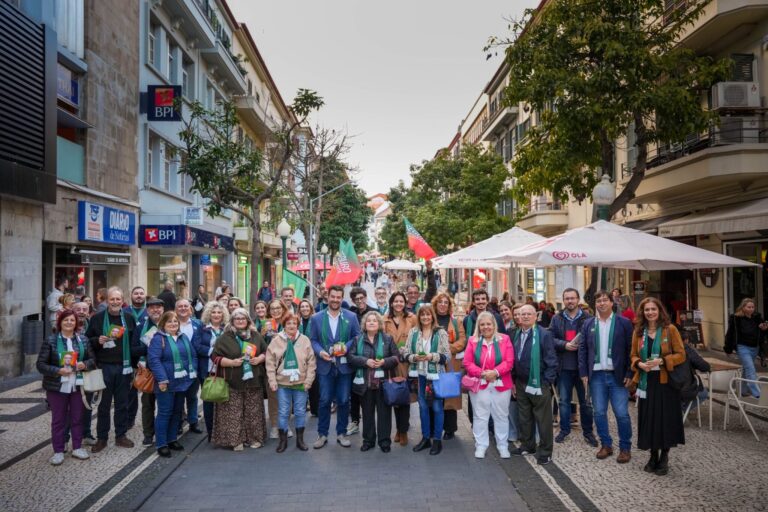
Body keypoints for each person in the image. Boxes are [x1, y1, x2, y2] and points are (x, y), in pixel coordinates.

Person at [631, 297, 686, 476]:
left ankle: (664, 456)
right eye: (647, 310)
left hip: (666, 382)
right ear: (642, 313)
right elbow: (632, 355)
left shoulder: (670, 330)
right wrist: (639, 364)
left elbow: (681, 355)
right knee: (650, 419)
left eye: (653, 309)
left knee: (666, 420)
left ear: (659, 310)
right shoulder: (639, 332)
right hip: (647, 382)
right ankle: (653, 455)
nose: (650, 313)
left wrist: (662, 360)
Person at [578, 291, 634, 464]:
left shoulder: (624, 323)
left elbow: (631, 350)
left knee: (622, 413)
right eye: (598, 301)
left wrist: (629, 373)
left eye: (605, 300)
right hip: (596, 376)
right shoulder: (588, 324)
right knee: (599, 412)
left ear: (612, 303)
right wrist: (583, 372)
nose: (601, 303)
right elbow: (583, 349)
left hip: (617, 376)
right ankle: (606, 444)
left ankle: (625, 448)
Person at [37, 310, 96, 465]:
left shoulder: (83, 339)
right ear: (60, 322)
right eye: (66, 320)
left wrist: (85, 364)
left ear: (76, 323)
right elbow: (40, 365)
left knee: (77, 418)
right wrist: (57, 370)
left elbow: (92, 360)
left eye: (72, 320)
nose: (69, 323)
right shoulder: (50, 340)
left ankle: (77, 447)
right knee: (58, 420)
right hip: (57, 386)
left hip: (78, 385)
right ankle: (58, 450)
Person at [308, 285, 361, 449]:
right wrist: (321, 352)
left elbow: (357, 336)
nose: (336, 300)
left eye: (339, 297)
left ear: (342, 298)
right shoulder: (316, 318)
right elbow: (313, 340)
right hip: (325, 366)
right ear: (327, 297)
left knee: (344, 400)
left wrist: (347, 347)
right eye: (333, 296)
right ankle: (322, 434)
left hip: (344, 366)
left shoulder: (351, 317)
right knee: (324, 401)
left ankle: (341, 433)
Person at [85, 286, 137, 452]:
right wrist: (96, 340)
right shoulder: (98, 318)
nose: (115, 302)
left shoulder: (129, 318)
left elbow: (134, 343)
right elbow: (86, 341)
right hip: (104, 366)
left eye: (118, 299)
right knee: (103, 405)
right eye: (112, 299)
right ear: (107, 300)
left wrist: (136, 364)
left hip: (124, 367)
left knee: (122, 403)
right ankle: (102, 438)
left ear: (122, 301)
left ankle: (121, 435)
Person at [211, 308, 268, 450]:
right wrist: (231, 362)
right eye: (237, 319)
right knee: (233, 412)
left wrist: (260, 358)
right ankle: (236, 441)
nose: (240, 321)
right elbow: (215, 357)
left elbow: (267, 351)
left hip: (253, 380)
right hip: (233, 380)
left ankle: (255, 438)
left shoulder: (255, 336)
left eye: (243, 318)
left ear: (248, 321)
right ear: (232, 321)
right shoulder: (225, 337)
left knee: (253, 412)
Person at [549, 288, 597, 447]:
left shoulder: (588, 318)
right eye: (567, 298)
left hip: (583, 368)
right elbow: (550, 338)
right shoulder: (556, 319)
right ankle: (564, 430)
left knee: (586, 402)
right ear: (563, 300)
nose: (570, 301)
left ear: (578, 300)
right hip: (564, 367)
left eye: (573, 298)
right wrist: (564, 345)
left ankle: (588, 432)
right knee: (563, 401)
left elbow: (594, 340)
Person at [511, 304, 558, 465]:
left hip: (539, 383)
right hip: (521, 383)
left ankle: (545, 451)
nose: (524, 317)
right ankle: (528, 445)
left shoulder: (544, 335)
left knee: (543, 419)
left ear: (535, 316)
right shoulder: (516, 334)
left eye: (528, 314)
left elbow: (552, 361)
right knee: (524, 418)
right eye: (522, 314)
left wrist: (546, 382)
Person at [463, 311, 515, 459]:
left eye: (488, 324)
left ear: (494, 325)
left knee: (501, 415)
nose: (486, 327)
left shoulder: (504, 339)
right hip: (480, 383)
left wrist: (496, 372)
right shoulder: (473, 341)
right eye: (482, 324)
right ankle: (481, 445)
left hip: (501, 383)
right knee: (480, 416)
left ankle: (502, 445)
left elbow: (509, 361)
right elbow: (467, 363)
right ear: (478, 326)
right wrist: (483, 373)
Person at [348, 311, 400, 452]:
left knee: (384, 413)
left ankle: (384, 441)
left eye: (374, 320)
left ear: (379, 324)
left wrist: (384, 361)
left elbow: (396, 358)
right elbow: (351, 357)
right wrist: (365, 361)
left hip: (383, 384)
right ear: (364, 324)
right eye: (369, 320)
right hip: (365, 384)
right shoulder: (357, 339)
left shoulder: (387, 339)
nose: (371, 322)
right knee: (367, 413)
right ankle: (368, 440)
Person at [402, 304, 451, 455]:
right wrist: (414, 357)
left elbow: (447, 357)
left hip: (435, 376)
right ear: (419, 317)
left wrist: (432, 356)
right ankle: (425, 438)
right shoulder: (413, 332)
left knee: (437, 407)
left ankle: (437, 440)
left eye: (428, 315)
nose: (425, 317)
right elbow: (406, 353)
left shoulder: (440, 332)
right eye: (422, 315)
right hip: (420, 376)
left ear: (432, 316)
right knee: (422, 407)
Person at [147, 311, 197, 457]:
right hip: (165, 383)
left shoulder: (183, 337)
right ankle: (162, 443)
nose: (173, 324)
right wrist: (162, 379)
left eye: (175, 321)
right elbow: (154, 361)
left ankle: (172, 439)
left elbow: (192, 356)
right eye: (169, 322)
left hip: (182, 382)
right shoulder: (158, 339)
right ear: (163, 324)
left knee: (177, 412)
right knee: (164, 412)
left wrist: (192, 371)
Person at [266, 313, 317, 452]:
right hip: (282, 383)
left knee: (300, 412)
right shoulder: (276, 340)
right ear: (284, 325)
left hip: (301, 383)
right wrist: (272, 380)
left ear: (298, 325)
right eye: (288, 323)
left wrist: (308, 381)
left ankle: (300, 440)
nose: (291, 326)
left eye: (294, 323)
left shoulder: (305, 340)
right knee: (283, 412)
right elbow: (269, 362)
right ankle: (282, 441)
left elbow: (311, 362)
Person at [383, 291, 418, 445]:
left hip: (406, 363)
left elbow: (418, 336)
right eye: (396, 301)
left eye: (401, 301)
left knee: (404, 397)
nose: (398, 304)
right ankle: (397, 429)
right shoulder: (385, 320)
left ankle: (403, 431)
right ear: (391, 303)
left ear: (405, 303)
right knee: (393, 396)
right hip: (390, 363)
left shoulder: (412, 318)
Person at [432, 292, 467, 440]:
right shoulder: (430, 320)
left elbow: (462, 341)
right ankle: (435, 427)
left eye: (446, 302)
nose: (443, 305)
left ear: (449, 305)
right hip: (432, 362)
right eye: (440, 302)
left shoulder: (456, 321)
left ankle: (450, 428)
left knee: (449, 395)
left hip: (450, 363)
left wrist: (446, 349)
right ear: (436, 304)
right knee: (433, 394)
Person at [131, 297, 165, 447]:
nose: (155, 310)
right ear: (147, 310)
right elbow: (133, 350)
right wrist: (151, 347)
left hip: (166, 370)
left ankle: (165, 432)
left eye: (158, 307)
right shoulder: (141, 327)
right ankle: (148, 434)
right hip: (149, 372)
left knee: (166, 405)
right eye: (152, 308)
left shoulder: (169, 324)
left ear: (163, 310)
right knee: (147, 405)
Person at [198, 301, 230, 441]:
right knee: (209, 401)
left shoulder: (228, 329)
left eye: (219, 312)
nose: (216, 315)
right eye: (213, 312)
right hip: (208, 370)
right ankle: (211, 433)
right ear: (208, 314)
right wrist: (213, 351)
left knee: (225, 400)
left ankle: (224, 432)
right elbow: (196, 346)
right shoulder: (202, 328)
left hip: (226, 370)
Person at [724, 298, 767, 398]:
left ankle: (743, 390)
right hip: (742, 347)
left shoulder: (757, 317)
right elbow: (730, 334)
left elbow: (762, 332)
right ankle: (759, 395)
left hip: (754, 348)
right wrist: (728, 349)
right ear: (743, 307)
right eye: (749, 307)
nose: (751, 309)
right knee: (751, 369)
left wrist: (764, 328)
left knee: (746, 369)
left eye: (752, 307)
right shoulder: (736, 318)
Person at [347, 287, 373, 435]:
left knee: (369, 392)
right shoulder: (351, 313)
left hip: (370, 356)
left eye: (362, 298)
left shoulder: (373, 311)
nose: (360, 301)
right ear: (353, 301)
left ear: (365, 297)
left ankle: (369, 423)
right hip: (355, 356)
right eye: (357, 299)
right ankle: (355, 421)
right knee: (355, 392)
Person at [175, 299, 204, 434]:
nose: (183, 308)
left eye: (185, 306)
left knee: (192, 396)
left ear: (190, 309)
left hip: (194, 366)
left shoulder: (198, 324)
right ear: (176, 310)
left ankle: (193, 422)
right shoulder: (172, 324)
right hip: (177, 366)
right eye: (180, 306)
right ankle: (179, 423)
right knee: (179, 397)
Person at [298, 300, 319, 417]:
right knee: (300, 381)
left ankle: (315, 409)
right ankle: (300, 407)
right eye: (302, 307)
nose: (305, 308)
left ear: (310, 308)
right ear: (299, 309)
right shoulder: (296, 321)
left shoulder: (316, 320)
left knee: (314, 383)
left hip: (313, 355)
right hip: (300, 356)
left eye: (307, 306)